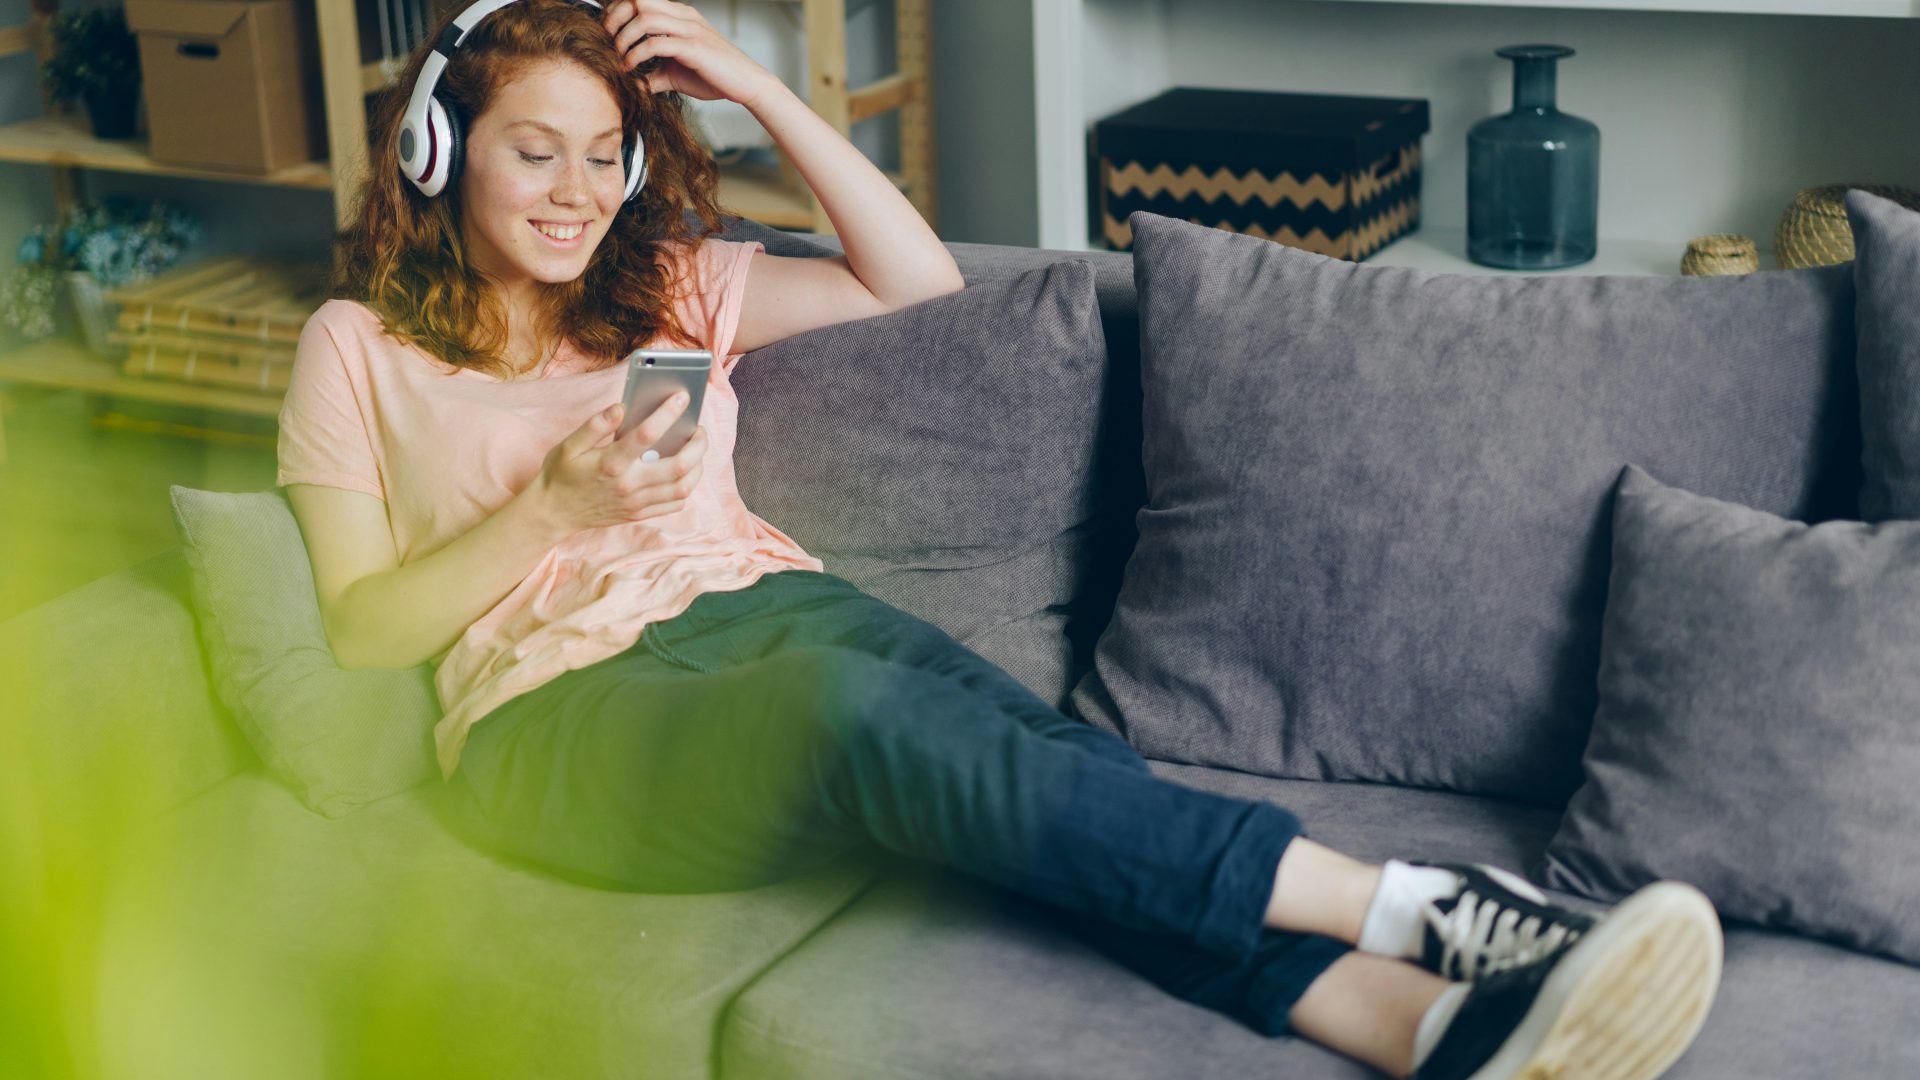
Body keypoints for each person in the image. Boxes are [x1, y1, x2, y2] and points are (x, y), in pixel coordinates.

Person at [276, 2, 1725, 1077]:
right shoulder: (355, 347)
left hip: (772, 608)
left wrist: (755, 91)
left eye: (605, 156)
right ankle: (1437, 913)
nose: (578, 193)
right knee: (846, 713)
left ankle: (1417, 1029)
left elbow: (916, 280)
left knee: (1040, 761)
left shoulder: (662, 283)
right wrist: (551, 510)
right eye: (537, 155)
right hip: (557, 719)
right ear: (440, 150)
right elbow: (360, 628)